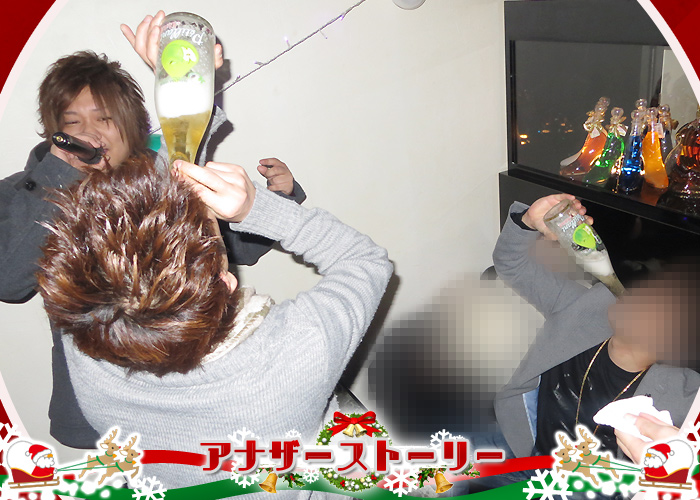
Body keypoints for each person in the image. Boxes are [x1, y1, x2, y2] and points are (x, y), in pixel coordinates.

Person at [0, 17, 304, 448]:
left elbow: (234, 249)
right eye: (72, 122)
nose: (89, 132)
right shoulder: (29, 193)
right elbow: (8, 280)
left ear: (130, 126)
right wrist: (57, 175)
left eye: (104, 118)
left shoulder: (161, 180)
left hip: (189, 396)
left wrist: (278, 201)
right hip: (104, 419)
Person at [36, 156, 392, 490]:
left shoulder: (82, 350)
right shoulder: (296, 350)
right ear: (225, 283)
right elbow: (364, 260)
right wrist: (257, 208)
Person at [449, 193, 700, 496]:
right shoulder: (586, 307)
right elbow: (511, 264)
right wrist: (528, 222)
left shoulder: (687, 398)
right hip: (522, 451)